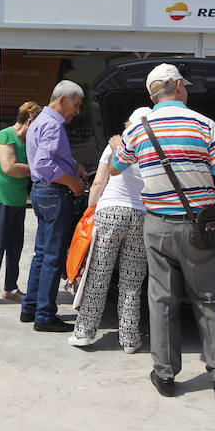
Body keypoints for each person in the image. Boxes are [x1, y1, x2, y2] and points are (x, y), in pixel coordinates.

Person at [110, 63, 215, 404]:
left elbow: (116, 166)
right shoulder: (205, 125)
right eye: (184, 85)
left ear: (152, 95)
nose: (186, 90)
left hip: (157, 225)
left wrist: (121, 143)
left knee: (161, 299)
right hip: (199, 227)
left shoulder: (138, 131)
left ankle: (165, 374)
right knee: (209, 298)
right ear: (176, 87)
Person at [68, 107, 151, 352]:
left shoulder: (118, 145)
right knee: (132, 281)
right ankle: (129, 339)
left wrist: (89, 212)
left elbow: (98, 182)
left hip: (110, 212)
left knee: (98, 275)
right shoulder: (153, 150)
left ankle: (84, 333)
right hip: (141, 216)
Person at [21, 80, 89, 332]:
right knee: (52, 256)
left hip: (42, 193)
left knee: (42, 253)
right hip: (54, 193)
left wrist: (73, 164)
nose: (78, 111)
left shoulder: (40, 121)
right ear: (62, 100)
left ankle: (30, 307)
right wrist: (73, 183)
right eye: (76, 105)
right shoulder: (53, 124)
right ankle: (45, 315)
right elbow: (44, 165)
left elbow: (49, 157)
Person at [0, 101, 42, 308]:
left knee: (15, 246)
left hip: (16, 200)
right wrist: (38, 168)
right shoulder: (6, 136)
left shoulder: (26, 141)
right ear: (30, 122)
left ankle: (10, 288)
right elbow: (10, 167)